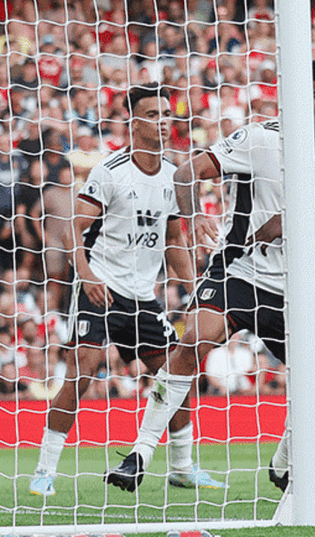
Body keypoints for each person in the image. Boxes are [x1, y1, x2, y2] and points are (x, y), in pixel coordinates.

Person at [107, 61, 315, 494]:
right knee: (193, 341)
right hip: (239, 269)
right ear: (297, 97)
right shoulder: (260, 138)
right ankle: (138, 455)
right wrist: (195, 216)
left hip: (293, 286)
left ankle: (283, 462)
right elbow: (186, 173)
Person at [30, 86, 213, 496]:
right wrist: (87, 276)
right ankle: (44, 470)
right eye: (152, 115)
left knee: (177, 373)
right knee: (81, 373)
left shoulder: (173, 176)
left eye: (166, 114)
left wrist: (195, 291)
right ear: (133, 122)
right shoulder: (110, 171)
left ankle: (182, 467)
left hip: (143, 297)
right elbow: (72, 229)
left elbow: (173, 240)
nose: (163, 122)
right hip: (101, 288)